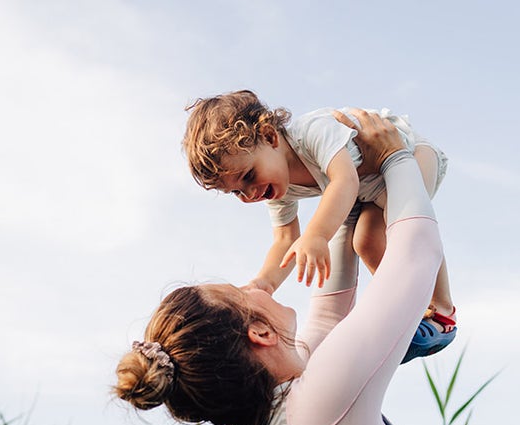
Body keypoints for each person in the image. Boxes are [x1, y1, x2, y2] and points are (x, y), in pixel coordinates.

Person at [116, 111, 461, 425]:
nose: (255, 285)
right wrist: (396, 158)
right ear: (258, 332)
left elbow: (330, 312)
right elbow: (415, 257)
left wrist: (347, 198)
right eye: (241, 292)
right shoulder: (318, 407)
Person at [183, 90, 456, 362]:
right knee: (366, 241)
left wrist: (317, 235)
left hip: (410, 153)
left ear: (269, 136)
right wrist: (263, 283)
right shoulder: (277, 187)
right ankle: (411, 312)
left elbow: (344, 181)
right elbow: (285, 239)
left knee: (401, 228)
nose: (249, 193)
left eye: (248, 176)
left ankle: (443, 310)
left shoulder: (312, 131)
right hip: (375, 187)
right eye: (236, 192)